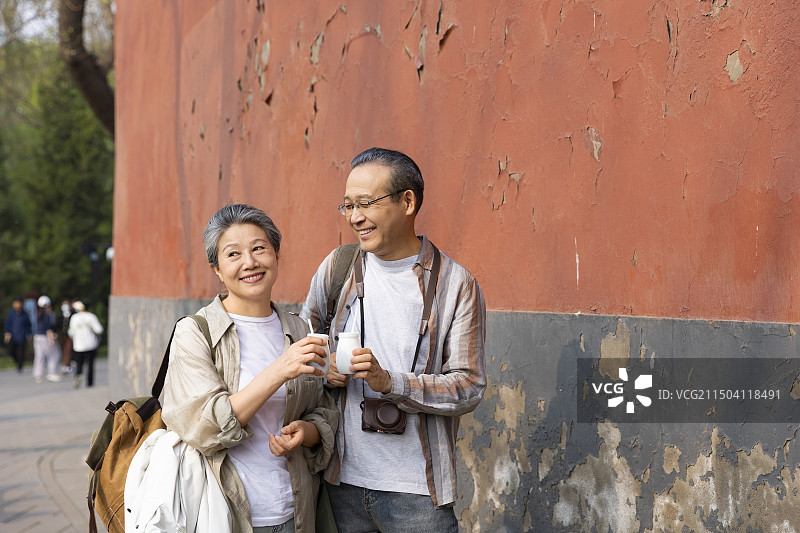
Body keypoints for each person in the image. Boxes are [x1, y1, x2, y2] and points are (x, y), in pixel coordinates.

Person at [301, 147, 487, 532]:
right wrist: (324, 367)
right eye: (348, 205)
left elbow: (469, 386)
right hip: (340, 483)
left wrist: (391, 383)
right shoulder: (337, 268)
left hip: (417, 494)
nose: (355, 217)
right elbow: (299, 345)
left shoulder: (456, 285)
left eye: (366, 203)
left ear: (407, 201)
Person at [162, 203, 338, 533]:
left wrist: (306, 433)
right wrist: (278, 371)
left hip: (295, 513)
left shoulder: (298, 331)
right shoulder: (195, 333)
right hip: (225, 515)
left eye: (259, 249)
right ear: (216, 268)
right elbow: (207, 427)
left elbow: (322, 411)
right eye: (233, 254)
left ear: (275, 255)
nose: (250, 263)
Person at [68, 300, 103, 388]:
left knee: (79, 363)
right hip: (91, 344)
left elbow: (71, 332)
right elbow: (99, 330)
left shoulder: (74, 317)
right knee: (90, 364)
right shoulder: (91, 317)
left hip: (78, 345)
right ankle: (90, 383)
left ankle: (78, 375)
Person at [32, 295, 62, 383]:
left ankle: (38, 375)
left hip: (37, 337)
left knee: (39, 356)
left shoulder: (36, 314)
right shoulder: (47, 315)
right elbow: (48, 329)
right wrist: (51, 339)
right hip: (45, 337)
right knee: (55, 354)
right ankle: (52, 373)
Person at [3, 298, 32, 373]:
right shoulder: (11, 313)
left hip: (22, 336)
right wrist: (7, 333)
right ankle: (18, 362)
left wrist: (29, 334)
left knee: (21, 352)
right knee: (12, 351)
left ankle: (20, 366)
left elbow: (28, 325)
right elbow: (8, 324)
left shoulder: (25, 314)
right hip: (13, 336)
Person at [55, 299, 74, 374]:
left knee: (68, 349)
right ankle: (64, 363)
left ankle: (67, 365)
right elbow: (57, 325)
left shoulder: (72, 315)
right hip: (62, 335)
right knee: (63, 349)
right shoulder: (60, 315)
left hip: (69, 335)